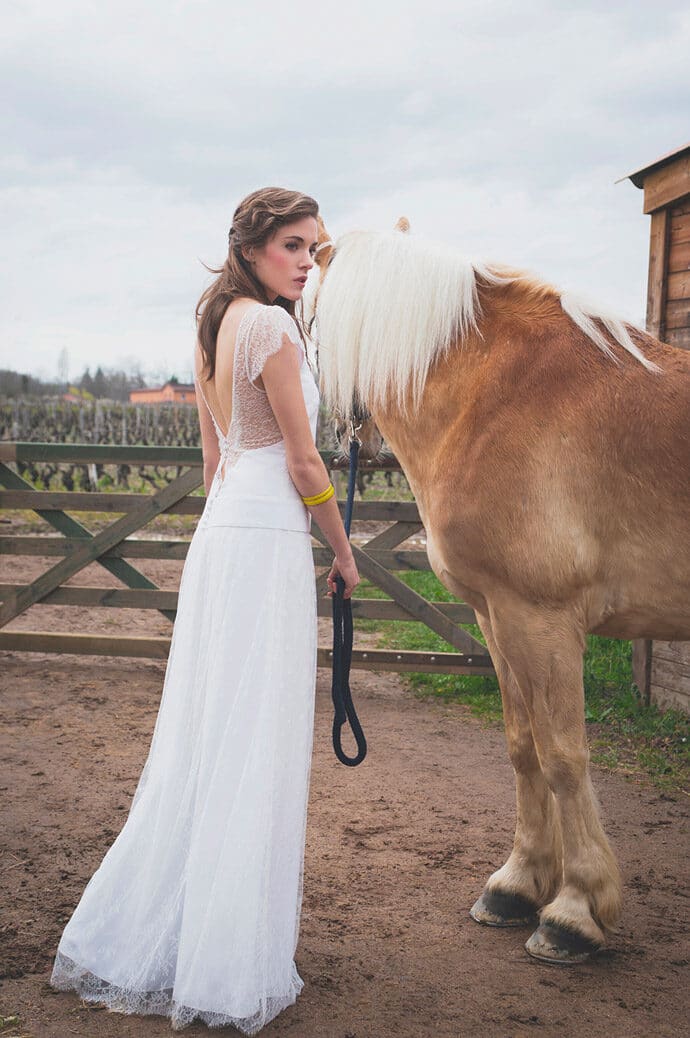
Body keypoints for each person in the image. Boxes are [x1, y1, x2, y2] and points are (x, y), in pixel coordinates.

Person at [49, 187, 360, 1033]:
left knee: (210, 733)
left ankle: (185, 933)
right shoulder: (275, 329)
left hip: (223, 536)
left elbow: (215, 456)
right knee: (249, 735)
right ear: (256, 247)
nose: (306, 262)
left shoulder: (210, 327)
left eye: (314, 248)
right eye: (294, 246)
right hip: (262, 541)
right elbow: (302, 462)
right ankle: (227, 961)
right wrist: (339, 547)